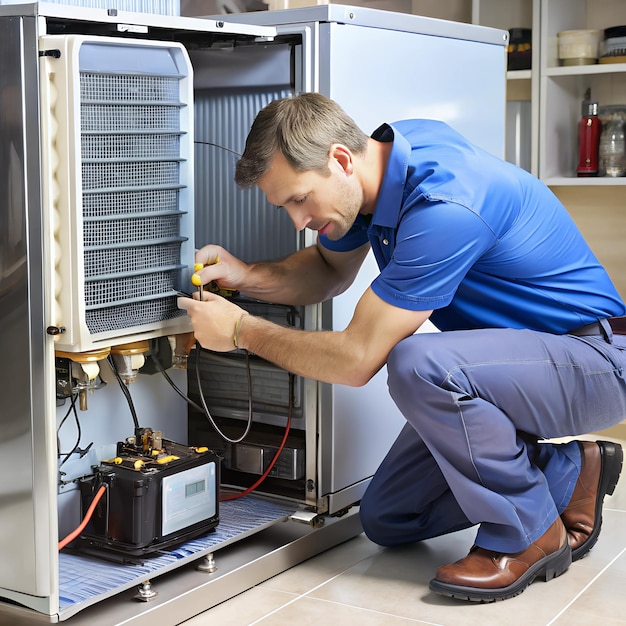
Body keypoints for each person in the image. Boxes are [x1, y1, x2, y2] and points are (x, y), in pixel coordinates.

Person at [178, 92, 626, 603]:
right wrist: (245, 277)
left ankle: (527, 534)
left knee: (417, 361)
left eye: (299, 199)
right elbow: (327, 271)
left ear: (340, 160)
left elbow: (356, 359)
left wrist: (241, 331)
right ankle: (571, 468)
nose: (296, 222)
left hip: (597, 358)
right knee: (388, 517)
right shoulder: (387, 161)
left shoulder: (443, 205)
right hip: (515, 373)